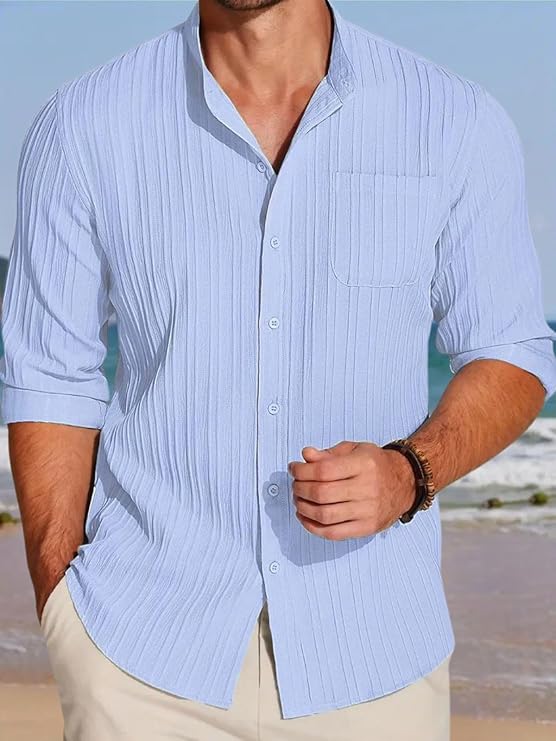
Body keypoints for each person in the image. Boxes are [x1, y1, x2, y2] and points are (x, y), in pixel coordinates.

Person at [1, 0, 555, 738]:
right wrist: (61, 606)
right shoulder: (81, 126)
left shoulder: (456, 122)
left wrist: (408, 471)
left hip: (373, 659)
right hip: (137, 660)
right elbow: (49, 376)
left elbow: (511, 354)